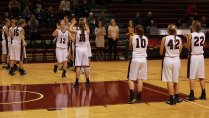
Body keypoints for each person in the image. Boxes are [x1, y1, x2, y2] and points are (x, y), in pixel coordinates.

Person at [160, 24, 182, 105]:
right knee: (176, 79)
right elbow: (180, 50)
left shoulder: (164, 38)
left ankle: (171, 99)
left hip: (168, 59)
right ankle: (177, 97)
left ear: (168, 30)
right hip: (177, 59)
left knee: (169, 80)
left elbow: (161, 52)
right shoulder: (179, 39)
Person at [185, 20, 206, 101]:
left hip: (193, 57)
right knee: (201, 77)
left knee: (191, 76)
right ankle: (203, 94)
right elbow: (203, 45)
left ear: (194, 27)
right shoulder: (203, 34)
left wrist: (187, 39)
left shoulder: (191, 35)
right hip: (201, 56)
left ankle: (192, 94)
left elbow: (188, 47)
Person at [127, 25, 148, 104]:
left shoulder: (132, 37)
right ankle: (139, 98)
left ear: (136, 30)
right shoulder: (146, 38)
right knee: (140, 79)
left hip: (135, 58)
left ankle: (132, 97)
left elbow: (130, 47)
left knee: (131, 78)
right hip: (143, 59)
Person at [69, 18, 90, 87]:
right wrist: (85, 23)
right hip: (85, 49)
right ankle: (87, 82)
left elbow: (69, 29)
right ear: (84, 26)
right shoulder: (87, 31)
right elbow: (88, 29)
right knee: (86, 66)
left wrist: (73, 23)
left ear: (79, 26)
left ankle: (77, 82)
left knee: (78, 66)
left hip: (78, 49)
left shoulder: (77, 31)